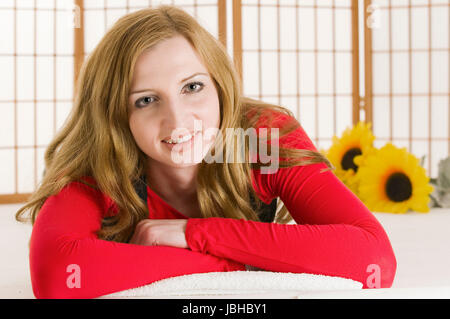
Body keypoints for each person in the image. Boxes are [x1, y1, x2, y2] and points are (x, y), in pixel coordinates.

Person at [15, 5, 396, 299]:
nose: (177, 120)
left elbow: (373, 260)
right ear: (116, 115)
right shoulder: (100, 163)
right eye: (146, 100)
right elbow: (57, 275)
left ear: (219, 85)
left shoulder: (263, 139)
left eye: (192, 87)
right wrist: (237, 261)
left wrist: (194, 233)